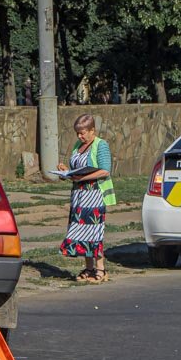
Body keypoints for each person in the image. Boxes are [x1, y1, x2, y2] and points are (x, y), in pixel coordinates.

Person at [58, 114, 115, 283]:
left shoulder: (101, 145)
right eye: (77, 133)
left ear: (92, 130)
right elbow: (77, 170)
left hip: (95, 194)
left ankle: (101, 270)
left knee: (94, 232)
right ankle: (89, 268)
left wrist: (82, 178)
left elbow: (105, 170)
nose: (79, 136)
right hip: (79, 195)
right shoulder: (78, 145)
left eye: (82, 133)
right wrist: (65, 171)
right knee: (81, 231)